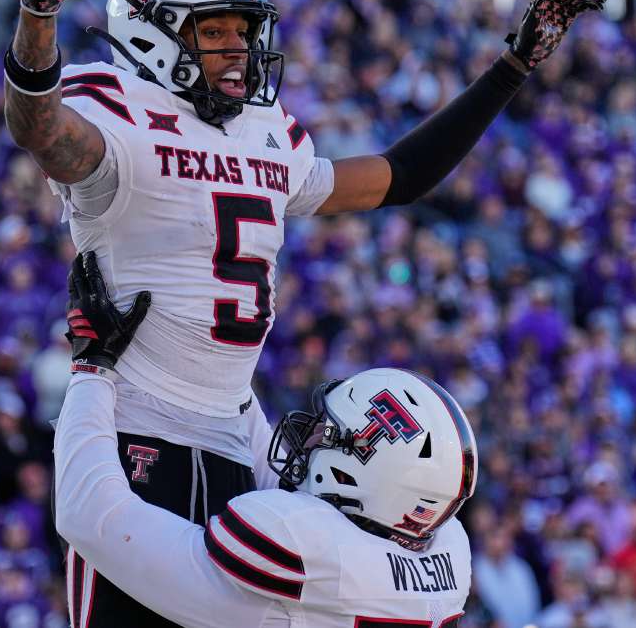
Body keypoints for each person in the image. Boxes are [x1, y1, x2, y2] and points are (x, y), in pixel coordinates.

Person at [5, 0, 601, 624]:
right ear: (155, 30)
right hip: (131, 426)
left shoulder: (266, 132)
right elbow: (40, 127)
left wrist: (510, 69)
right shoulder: (116, 106)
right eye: (216, 31)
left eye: (244, 31)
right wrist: (37, 21)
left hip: (235, 440)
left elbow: (398, 176)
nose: (238, 49)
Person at [53, 252, 478, 627]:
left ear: (361, 475)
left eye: (327, 434)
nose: (309, 435)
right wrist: (227, 376)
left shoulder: (302, 548)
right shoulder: (443, 557)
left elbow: (90, 514)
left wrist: (92, 367)